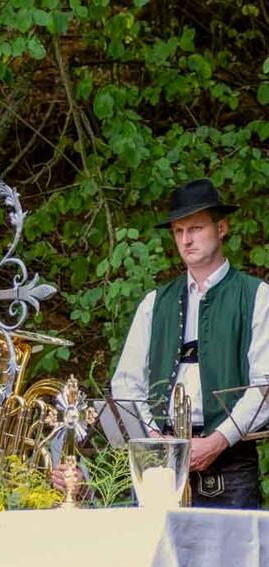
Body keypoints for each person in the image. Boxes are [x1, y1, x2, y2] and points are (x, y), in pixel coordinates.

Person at [112, 178, 269, 508]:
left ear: (221, 227)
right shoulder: (155, 303)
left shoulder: (257, 297)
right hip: (160, 461)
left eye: (196, 228)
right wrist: (154, 438)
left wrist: (217, 441)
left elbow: (264, 385)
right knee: (157, 557)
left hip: (229, 459)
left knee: (231, 558)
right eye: (178, 232)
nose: (186, 239)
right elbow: (126, 383)